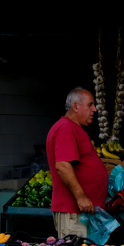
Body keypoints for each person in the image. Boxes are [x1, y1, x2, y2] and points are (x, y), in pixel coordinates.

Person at [46, 87, 108, 238]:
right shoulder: (65, 128)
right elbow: (62, 165)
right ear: (75, 106)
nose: (94, 109)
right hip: (73, 213)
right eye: (90, 104)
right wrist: (81, 197)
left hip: (82, 213)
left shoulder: (73, 128)